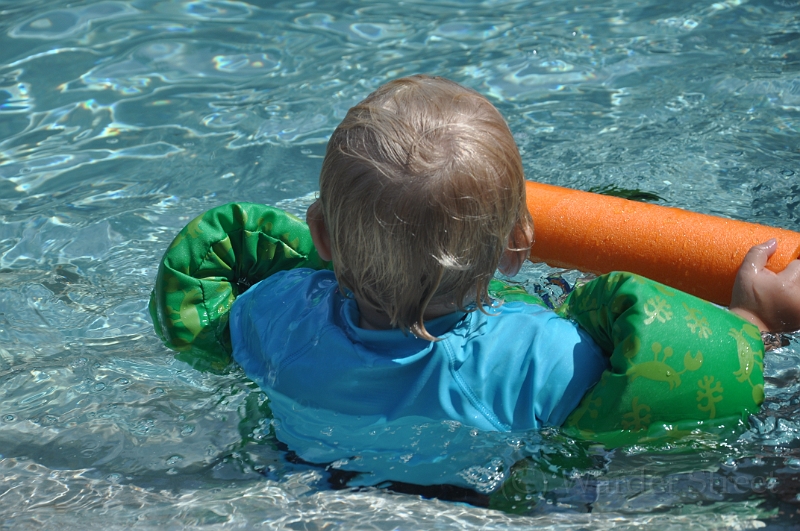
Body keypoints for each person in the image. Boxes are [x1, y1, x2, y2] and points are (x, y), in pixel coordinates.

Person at [154, 74, 800, 490]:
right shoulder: (548, 357)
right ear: (519, 243)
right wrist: (754, 324)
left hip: (314, 477)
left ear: (320, 235)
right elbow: (680, 394)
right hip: (481, 499)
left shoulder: (268, 314)